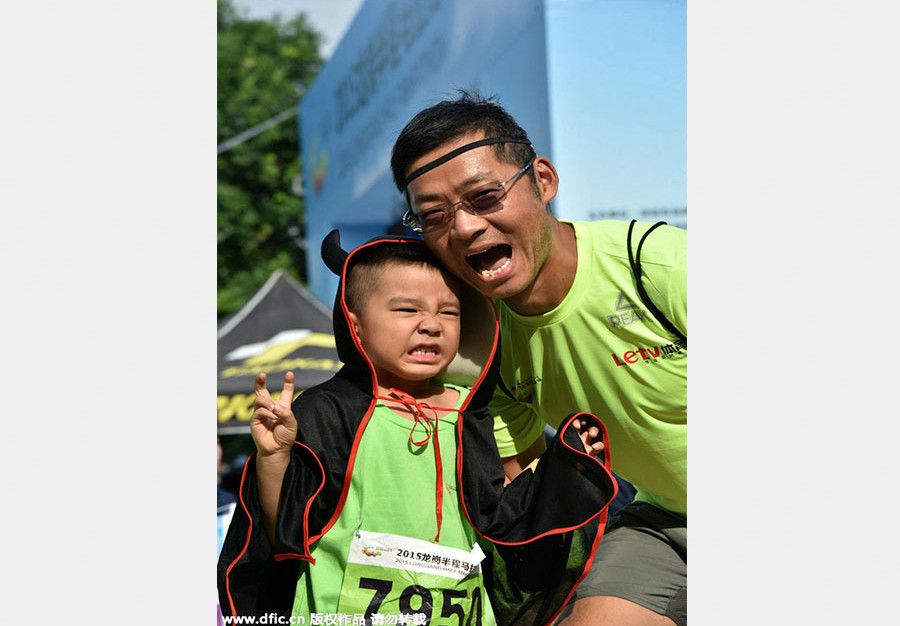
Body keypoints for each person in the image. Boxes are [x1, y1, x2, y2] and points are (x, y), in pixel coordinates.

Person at [390, 91, 687, 626]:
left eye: (483, 196)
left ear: (543, 181)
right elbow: (519, 496)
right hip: (663, 522)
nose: (463, 228)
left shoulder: (659, 266)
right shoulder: (484, 345)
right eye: (434, 216)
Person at [217, 235, 619, 624]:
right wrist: (273, 457)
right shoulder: (327, 409)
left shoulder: (467, 413)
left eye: (449, 311)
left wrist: (565, 469)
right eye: (407, 310)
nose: (431, 325)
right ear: (355, 326)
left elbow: (498, 523)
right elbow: (288, 531)